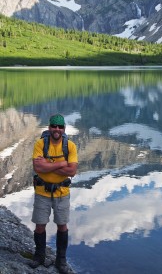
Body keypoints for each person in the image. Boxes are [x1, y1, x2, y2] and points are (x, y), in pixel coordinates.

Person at [30, 114, 78, 274]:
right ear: (49, 127)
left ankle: (61, 260)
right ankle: (39, 256)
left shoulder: (70, 146)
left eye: (60, 126)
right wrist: (62, 163)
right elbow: (38, 169)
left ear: (64, 129)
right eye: (54, 126)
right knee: (40, 226)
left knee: (62, 226)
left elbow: (72, 171)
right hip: (42, 192)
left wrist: (48, 164)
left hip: (62, 192)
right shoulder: (40, 144)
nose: (57, 129)